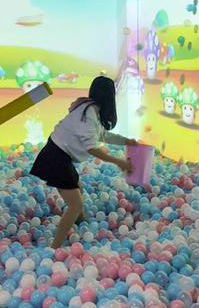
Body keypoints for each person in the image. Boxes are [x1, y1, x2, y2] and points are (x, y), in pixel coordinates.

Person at [30, 76, 137, 248]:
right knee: (75, 204)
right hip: (55, 157)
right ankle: (54, 247)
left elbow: (102, 135)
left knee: (77, 187)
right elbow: (92, 148)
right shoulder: (89, 113)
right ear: (109, 96)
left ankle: (81, 221)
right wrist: (119, 162)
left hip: (59, 155)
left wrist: (125, 141)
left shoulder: (91, 110)